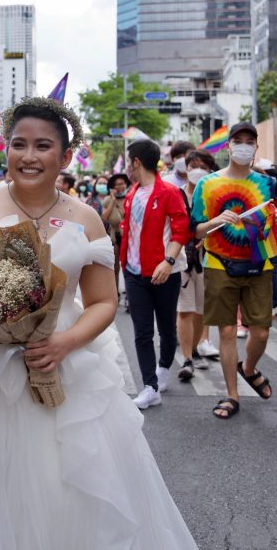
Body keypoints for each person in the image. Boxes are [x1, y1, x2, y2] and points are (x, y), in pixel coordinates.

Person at [0, 97, 196, 548]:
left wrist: (65, 342)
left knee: (66, 493)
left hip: (61, 370)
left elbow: (103, 303)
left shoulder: (85, 218)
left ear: (65, 157)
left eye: (43, 146)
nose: (29, 156)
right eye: (19, 144)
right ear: (5, 150)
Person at [192, 123, 277, 420]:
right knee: (227, 330)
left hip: (260, 263)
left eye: (249, 141)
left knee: (261, 331)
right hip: (220, 263)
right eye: (238, 141)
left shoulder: (270, 186)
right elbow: (196, 230)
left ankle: (249, 368)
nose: (244, 146)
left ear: (257, 148)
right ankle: (232, 394)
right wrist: (216, 220)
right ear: (228, 146)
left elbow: (274, 224)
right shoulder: (207, 184)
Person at [120, 139, 190, 409]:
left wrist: (168, 261)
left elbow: (181, 230)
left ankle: (163, 368)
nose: (127, 167)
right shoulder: (131, 193)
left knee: (166, 328)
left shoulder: (169, 192)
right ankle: (150, 386)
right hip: (134, 273)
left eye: (129, 161)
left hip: (163, 272)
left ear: (136, 162)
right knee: (142, 331)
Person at [176, 149, 213, 380]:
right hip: (182, 260)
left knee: (201, 310)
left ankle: (197, 348)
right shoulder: (176, 195)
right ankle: (187, 358)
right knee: (185, 309)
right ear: (185, 169)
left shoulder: (214, 196)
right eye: (193, 167)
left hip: (208, 260)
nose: (197, 171)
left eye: (203, 167)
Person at [101, 172, 130, 288]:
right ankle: (115, 293)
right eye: (116, 185)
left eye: (122, 184)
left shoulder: (131, 197)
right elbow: (104, 218)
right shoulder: (108, 200)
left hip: (129, 237)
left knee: (128, 267)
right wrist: (112, 201)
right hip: (114, 237)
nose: (119, 187)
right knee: (114, 268)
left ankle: (130, 295)